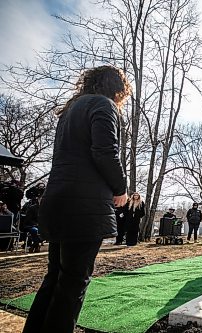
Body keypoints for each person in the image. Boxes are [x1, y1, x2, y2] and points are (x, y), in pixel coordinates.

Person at [22, 65, 130, 333]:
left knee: (55, 278)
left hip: (58, 198)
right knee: (73, 284)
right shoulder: (105, 106)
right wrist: (121, 188)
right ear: (117, 88)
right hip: (84, 205)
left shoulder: (72, 109)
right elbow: (105, 152)